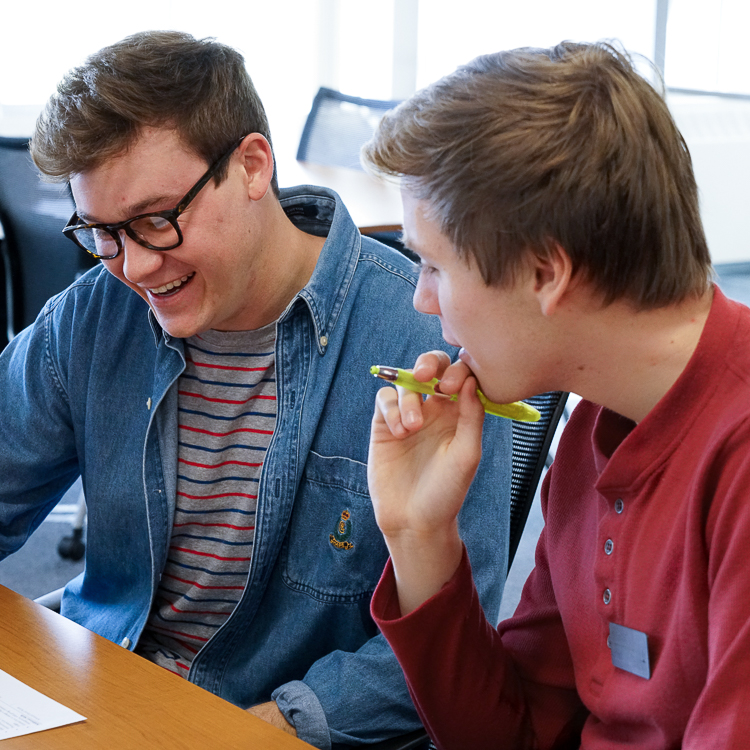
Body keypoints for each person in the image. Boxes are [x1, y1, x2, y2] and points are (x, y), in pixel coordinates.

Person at [0, 31, 512, 749]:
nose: (135, 267)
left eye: (156, 220)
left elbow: (448, 654)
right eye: (103, 233)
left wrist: (232, 733)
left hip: (278, 729)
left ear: (250, 165)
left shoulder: (421, 340)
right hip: (106, 694)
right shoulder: (93, 315)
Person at [363, 40, 750, 749]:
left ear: (546, 273)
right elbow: (514, 734)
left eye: (432, 265)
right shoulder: (594, 426)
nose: (421, 301)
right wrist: (419, 535)